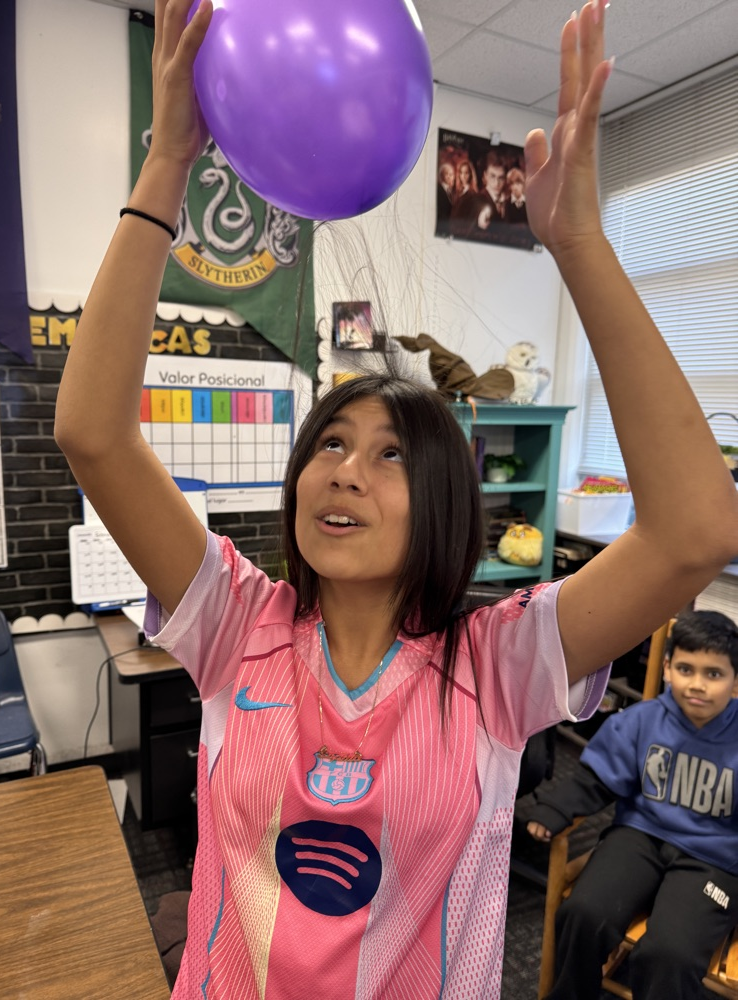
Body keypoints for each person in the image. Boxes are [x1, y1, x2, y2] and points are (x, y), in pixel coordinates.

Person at [54, 1, 738, 996]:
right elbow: (95, 435)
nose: (342, 469)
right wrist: (166, 161)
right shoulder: (234, 620)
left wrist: (580, 243)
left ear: (447, 508)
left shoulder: (497, 667)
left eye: (389, 457)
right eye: (329, 443)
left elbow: (695, 530)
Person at [527, 610, 738, 999]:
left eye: (714, 674)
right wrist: (556, 810)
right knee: (583, 913)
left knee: (669, 953)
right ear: (668, 669)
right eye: (686, 669)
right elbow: (598, 776)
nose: (697, 685)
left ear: (734, 679)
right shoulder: (642, 720)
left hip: (713, 858)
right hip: (639, 836)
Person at [478, 149, 507, 220]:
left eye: (501, 178)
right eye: (492, 176)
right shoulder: (478, 201)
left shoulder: (507, 202)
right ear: (485, 175)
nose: (497, 183)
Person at [436, 160, 455, 233]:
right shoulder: (439, 189)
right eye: (447, 174)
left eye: (452, 174)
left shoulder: (451, 191)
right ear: (441, 176)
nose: (450, 177)